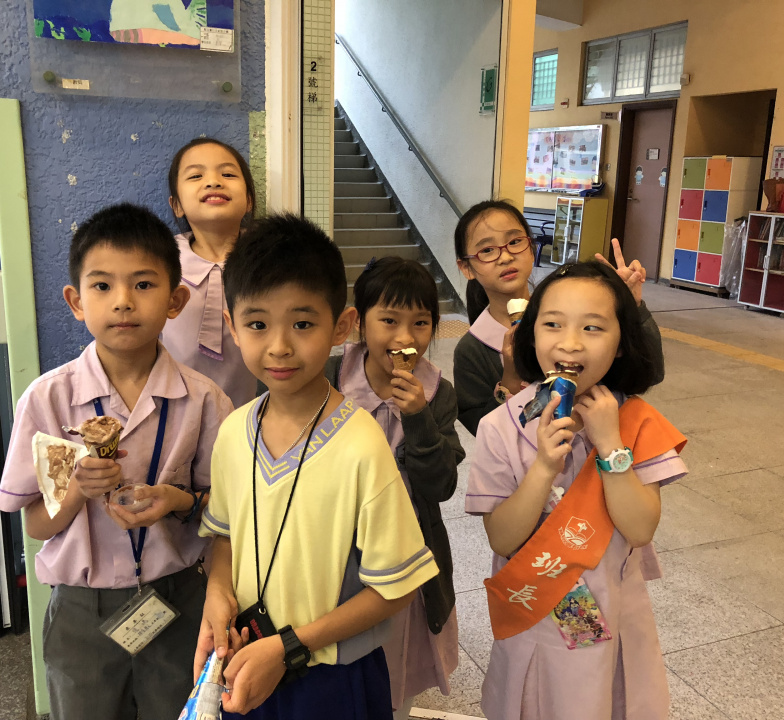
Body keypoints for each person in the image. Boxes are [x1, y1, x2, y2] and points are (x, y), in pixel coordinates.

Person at [196, 215, 440, 719]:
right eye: (257, 324)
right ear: (232, 326)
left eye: (302, 324)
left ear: (341, 327)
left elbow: (394, 588)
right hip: (247, 660)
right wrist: (217, 592)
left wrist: (289, 646)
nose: (279, 346)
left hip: (333, 678)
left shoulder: (362, 445)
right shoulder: (233, 431)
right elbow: (224, 535)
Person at [0, 203, 233, 720]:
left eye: (143, 284)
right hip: (83, 611)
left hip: (178, 599)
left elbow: (227, 513)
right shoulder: (51, 402)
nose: (123, 301)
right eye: (102, 286)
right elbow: (37, 524)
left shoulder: (204, 401)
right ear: (76, 302)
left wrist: (178, 500)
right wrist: (78, 489)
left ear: (175, 300)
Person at [465, 261, 687, 720]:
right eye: (552, 324)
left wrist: (610, 445)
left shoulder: (636, 421)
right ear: (530, 336)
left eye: (592, 327)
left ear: (622, 343)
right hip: (538, 618)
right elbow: (502, 538)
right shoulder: (500, 427)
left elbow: (641, 528)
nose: (570, 342)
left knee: (606, 700)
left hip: (615, 615)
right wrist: (544, 468)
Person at [324, 257, 464, 720]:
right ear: (359, 323)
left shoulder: (437, 394)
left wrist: (419, 418)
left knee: (394, 671)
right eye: (389, 320)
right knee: (336, 660)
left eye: (420, 323)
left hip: (404, 553)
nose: (406, 337)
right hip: (334, 551)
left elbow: (441, 485)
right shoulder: (328, 379)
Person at [452, 199, 665, 436]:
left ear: (532, 248)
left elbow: (651, 374)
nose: (505, 256)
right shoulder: (473, 349)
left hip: (604, 442)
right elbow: (483, 432)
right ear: (466, 267)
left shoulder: (576, 309)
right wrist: (510, 380)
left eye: (514, 242)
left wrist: (628, 307)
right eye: (487, 250)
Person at [162, 137, 259, 407]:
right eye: (196, 176)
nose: (213, 182)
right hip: (172, 410)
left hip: (247, 410)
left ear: (249, 200)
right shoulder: (162, 260)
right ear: (177, 205)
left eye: (228, 174)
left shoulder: (268, 259)